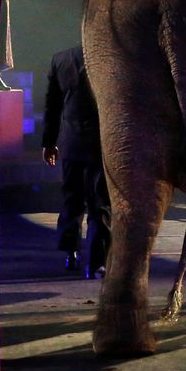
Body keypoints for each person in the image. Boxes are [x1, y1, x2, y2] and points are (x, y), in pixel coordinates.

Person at [42, 45, 110, 278]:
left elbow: (52, 106)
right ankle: (97, 262)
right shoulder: (105, 56)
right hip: (100, 143)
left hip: (70, 142)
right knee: (99, 204)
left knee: (72, 200)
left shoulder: (60, 58)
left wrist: (49, 143)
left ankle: (71, 253)